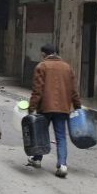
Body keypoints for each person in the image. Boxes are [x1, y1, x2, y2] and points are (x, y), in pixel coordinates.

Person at [27, 43, 81, 178]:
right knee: (61, 136)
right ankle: (62, 165)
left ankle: (37, 159)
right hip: (63, 108)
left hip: (45, 107)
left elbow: (37, 90)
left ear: (44, 54)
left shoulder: (42, 66)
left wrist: (31, 107)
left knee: (41, 133)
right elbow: (73, 90)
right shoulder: (67, 67)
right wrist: (78, 106)